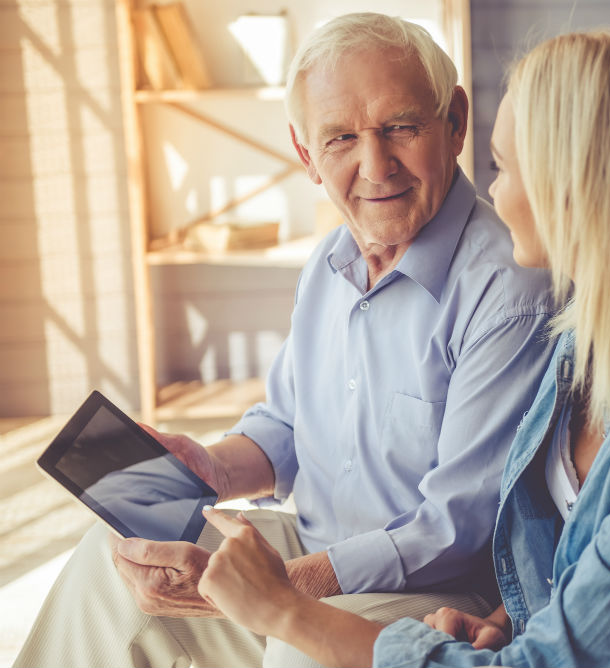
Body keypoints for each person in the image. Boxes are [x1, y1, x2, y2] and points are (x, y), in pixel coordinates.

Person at [192, 29, 610, 667]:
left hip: (443, 600)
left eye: (506, 168)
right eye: (341, 139)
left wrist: (284, 606)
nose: (491, 193)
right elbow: (559, 568)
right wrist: (499, 619)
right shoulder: (582, 344)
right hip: (457, 608)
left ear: (582, 188)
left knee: (296, 652)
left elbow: (545, 650)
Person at [15, 12, 558, 668]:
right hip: (312, 545)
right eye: (340, 139)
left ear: (455, 121)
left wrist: (277, 593)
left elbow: (458, 527)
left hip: (436, 589)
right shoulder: (330, 261)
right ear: (306, 155)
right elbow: (285, 424)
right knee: (108, 568)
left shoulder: (508, 287)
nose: (375, 165)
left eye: (401, 127)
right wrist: (209, 468)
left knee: (299, 647)